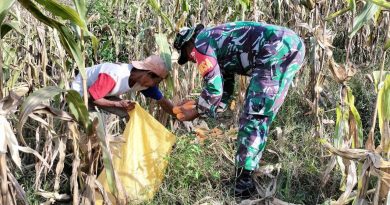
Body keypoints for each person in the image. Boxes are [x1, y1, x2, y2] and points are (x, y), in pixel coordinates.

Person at [173, 21, 305, 197]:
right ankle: (248, 172)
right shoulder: (217, 42)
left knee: (255, 115)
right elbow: (225, 89)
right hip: (291, 45)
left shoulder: (201, 43)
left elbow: (214, 89)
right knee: (262, 114)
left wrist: (195, 110)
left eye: (187, 55)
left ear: (189, 43)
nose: (191, 59)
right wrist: (211, 112)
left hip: (275, 46)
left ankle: (243, 182)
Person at [71, 55, 174, 118]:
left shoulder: (144, 83)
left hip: (102, 93)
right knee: (93, 123)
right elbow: (93, 97)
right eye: (156, 82)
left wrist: (180, 115)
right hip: (82, 92)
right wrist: (118, 104)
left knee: (131, 112)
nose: (155, 85)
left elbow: (162, 101)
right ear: (148, 74)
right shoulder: (114, 74)